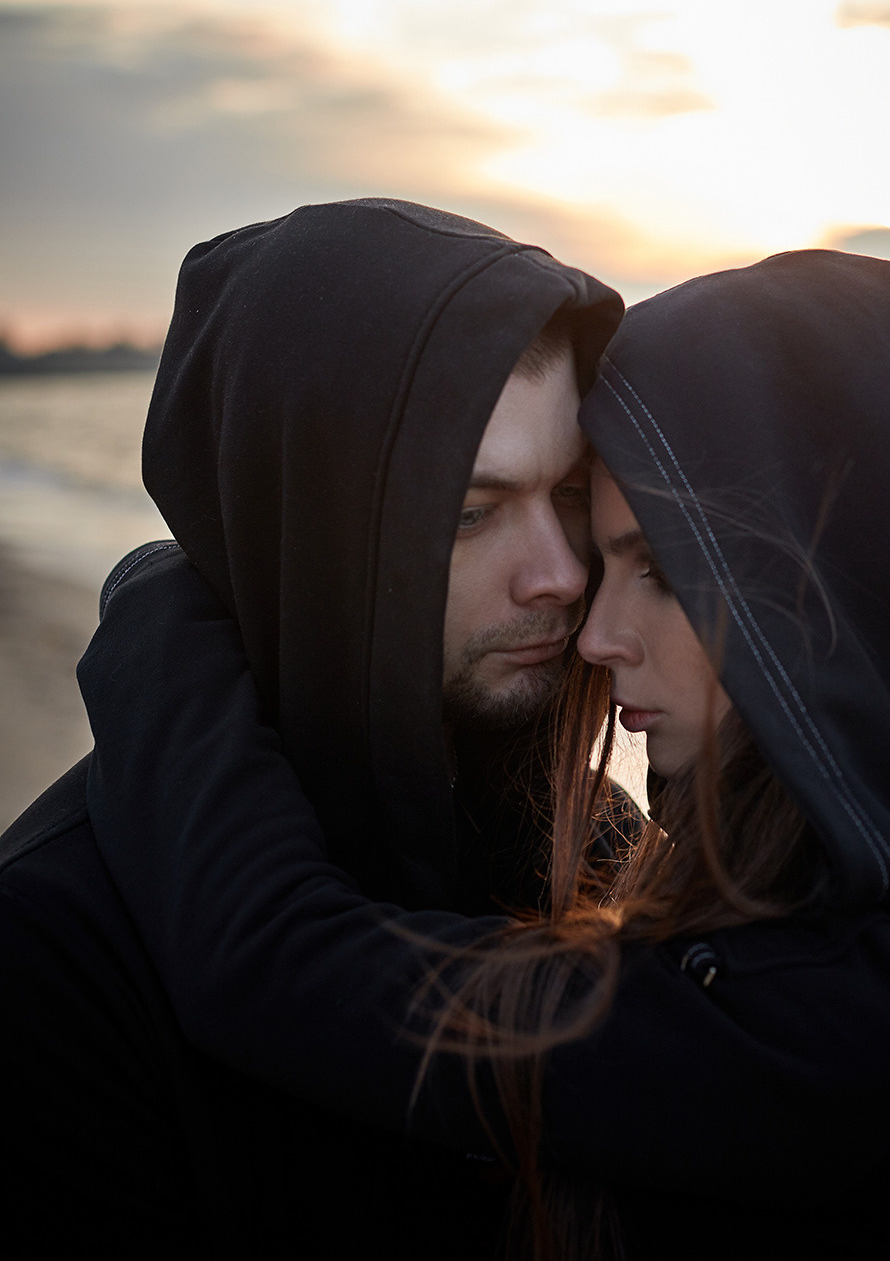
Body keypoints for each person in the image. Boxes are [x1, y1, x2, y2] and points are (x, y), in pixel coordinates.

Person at [75, 245, 890, 1255]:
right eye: (476, 511)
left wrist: (161, 596)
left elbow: (275, 960)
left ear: (845, 586)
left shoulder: (840, 1025)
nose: (591, 633)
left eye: (658, 563)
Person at [0, 198, 623, 1253]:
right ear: (308, 519)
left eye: (570, 495)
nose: (559, 573)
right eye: (469, 512)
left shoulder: (591, 844)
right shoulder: (53, 956)